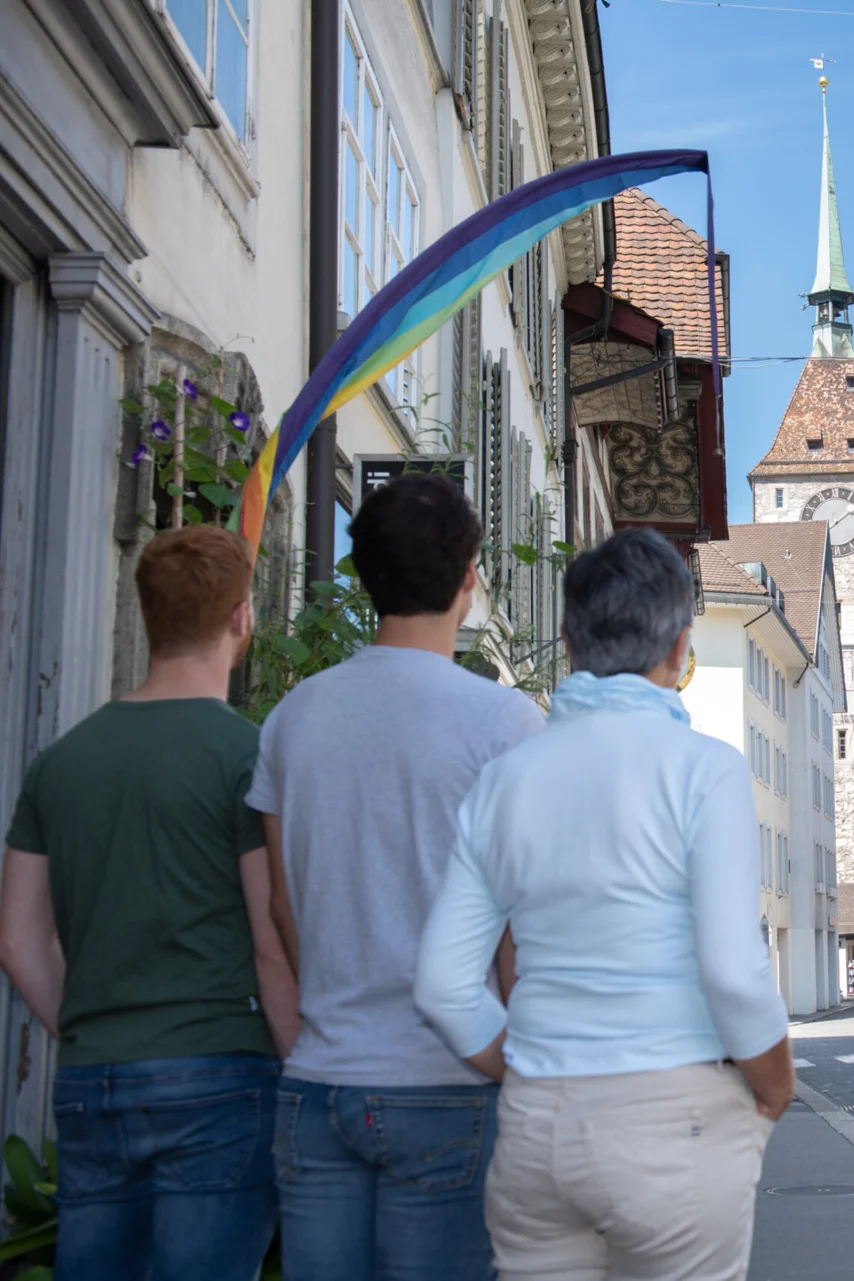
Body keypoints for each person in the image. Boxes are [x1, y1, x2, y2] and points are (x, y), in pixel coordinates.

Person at [414, 527, 794, 1281]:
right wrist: (774, 1085)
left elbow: (441, 983)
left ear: (567, 637)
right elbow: (732, 969)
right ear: (682, 647)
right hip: (672, 1116)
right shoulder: (706, 771)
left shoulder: (505, 778)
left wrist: (522, 1064)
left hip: (536, 1128)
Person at [251, 474, 546, 1281]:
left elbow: (282, 907)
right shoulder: (505, 722)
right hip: (448, 1078)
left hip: (321, 1076)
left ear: (362, 573)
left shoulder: (294, 717)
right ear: (469, 579)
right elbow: (524, 934)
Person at [0, 526, 298, 1280]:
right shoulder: (249, 756)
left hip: (96, 1070)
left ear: (147, 613)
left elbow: (17, 941)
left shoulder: (59, 764)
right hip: (220, 1067)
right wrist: (303, 1060)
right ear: (241, 618)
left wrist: (90, 1023)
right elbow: (272, 931)